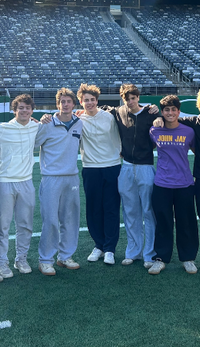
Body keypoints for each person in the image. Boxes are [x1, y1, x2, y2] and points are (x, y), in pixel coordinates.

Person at [153, 89, 200, 273]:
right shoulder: (190, 124)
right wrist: (157, 116)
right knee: (198, 222)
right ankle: (165, 257)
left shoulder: (192, 128)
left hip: (189, 183)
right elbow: (167, 118)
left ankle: (192, 257)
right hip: (183, 182)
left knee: (189, 222)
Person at [102, 84, 159, 268]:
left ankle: (149, 254)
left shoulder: (151, 113)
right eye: (127, 99)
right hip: (126, 167)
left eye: (133, 98)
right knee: (130, 211)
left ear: (138, 97)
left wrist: (156, 110)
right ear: (123, 99)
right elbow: (103, 109)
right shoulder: (118, 112)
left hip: (146, 167)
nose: (131, 101)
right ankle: (133, 252)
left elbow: (161, 126)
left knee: (148, 211)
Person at [34, 87, 83, 276]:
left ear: (73, 104)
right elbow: (33, 142)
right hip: (51, 178)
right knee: (50, 220)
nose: (66, 104)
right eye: (62, 101)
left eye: (69, 101)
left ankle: (65, 256)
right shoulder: (47, 124)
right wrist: (36, 121)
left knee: (70, 219)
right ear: (57, 104)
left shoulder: (79, 123)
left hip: (71, 177)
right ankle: (45, 259)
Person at [148, 95, 198, 275]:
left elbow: (196, 152)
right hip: (162, 184)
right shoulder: (154, 130)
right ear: (162, 112)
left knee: (186, 222)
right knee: (163, 222)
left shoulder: (188, 131)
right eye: (166, 110)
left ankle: (188, 258)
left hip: (184, 184)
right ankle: (161, 258)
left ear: (178, 111)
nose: (170, 113)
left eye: (173, 109)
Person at [0, 94, 39, 277]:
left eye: (28, 108)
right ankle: (1, 263)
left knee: (25, 224)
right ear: (14, 110)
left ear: (32, 110)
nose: (24, 111)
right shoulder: (2, 128)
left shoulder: (36, 127)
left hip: (26, 181)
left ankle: (21, 258)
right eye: (21, 107)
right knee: (2, 226)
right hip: (4, 182)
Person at [77, 84, 122, 265]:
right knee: (94, 209)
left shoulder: (109, 117)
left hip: (111, 167)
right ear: (81, 102)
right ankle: (99, 245)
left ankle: (110, 249)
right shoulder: (78, 119)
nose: (89, 103)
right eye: (86, 100)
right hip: (90, 168)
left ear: (97, 101)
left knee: (111, 208)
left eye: (92, 100)